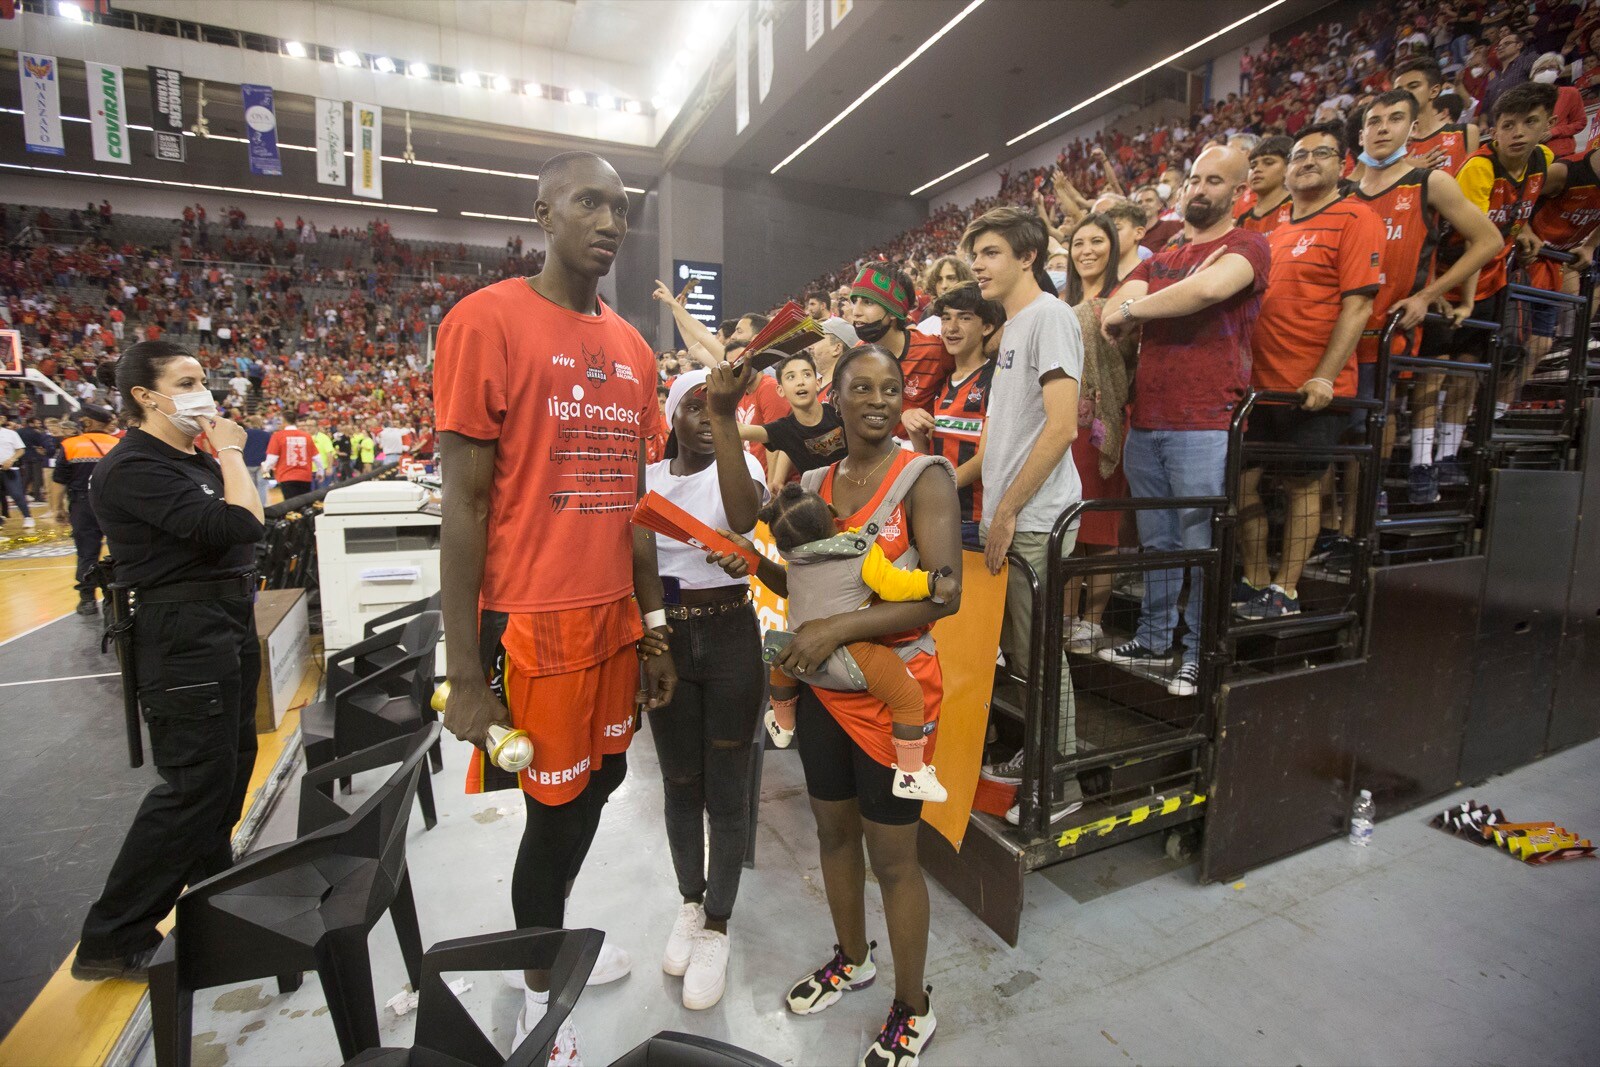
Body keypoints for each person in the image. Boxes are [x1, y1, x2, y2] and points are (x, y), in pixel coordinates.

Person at [434, 151, 674, 1061]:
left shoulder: (637, 349)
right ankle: (540, 984)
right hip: (534, 620)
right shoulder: (486, 321)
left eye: (620, 207)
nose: (609, 220)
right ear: (543, 212)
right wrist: (464, 672)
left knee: (603, 783)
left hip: (615, 613)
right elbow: (463, 503)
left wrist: (653, 629)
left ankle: (548, 940)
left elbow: (637, 507)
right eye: (588, 202)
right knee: (553, 807)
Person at [705, 345, 961, 1067]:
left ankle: (914, 1006)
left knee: (894, 858)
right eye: (862, 388)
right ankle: (852, 957)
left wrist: (838, 630)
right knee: (833, 834)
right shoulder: (815, 480)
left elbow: (946, 593)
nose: (878, 400)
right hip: (822, 691)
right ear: (833, 397)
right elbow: (800, 583)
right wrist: (752, 561)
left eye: (891, 387)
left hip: (889, 696)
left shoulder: (923, 477)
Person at [73, 341, 266, 980]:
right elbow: (241, 526)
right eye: (187, 381)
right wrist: (233, 451)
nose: (203, 391)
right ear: (145, 396)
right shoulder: (133, 468)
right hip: (181, 633)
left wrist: (225, 462)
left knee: (232, 765)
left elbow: (240, 521)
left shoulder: (189, 461)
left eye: (203, 378)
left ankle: (215, 889)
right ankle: (114, 934)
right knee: (192, 783)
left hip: (225, 621)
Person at [1098, 145, 1270, 696]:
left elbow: (1209, 290)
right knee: (1159, 543)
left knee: (1202, 545)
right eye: (1194, 179)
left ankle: (1198, 654)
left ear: (1239, 191)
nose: (1198, 188)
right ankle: (1153, 640)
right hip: (1146, 419)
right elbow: (1110, 310)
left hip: (1206, 420)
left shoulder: (1248, 244)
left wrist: (1137, 309)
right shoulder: (1165, 250)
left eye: (1213, 180)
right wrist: (1138, 307)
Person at [643, 365, 765, 1012]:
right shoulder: (650, 480)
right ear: (669, 417)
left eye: (710, 405)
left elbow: (746, 515)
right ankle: (690, 902)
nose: (699, 414)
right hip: (668, 636)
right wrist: (650, 638)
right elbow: (641, 569)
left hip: (730, 638)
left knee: (727, 785)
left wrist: (725, 418)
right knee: (678, 783)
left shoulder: (741, 470)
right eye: (689, 405)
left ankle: (718, 921)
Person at [963, 206, 1086, 826]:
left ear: (1027, 257)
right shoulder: (1012, 327)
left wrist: (1007, 509)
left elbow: (1062, 426)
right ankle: (1041, 757)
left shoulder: (1051, 318)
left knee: (1039, 655)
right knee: (1021, 653)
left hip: (1035, 517)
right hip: (1010, 515)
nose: (977, 265)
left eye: (990, 253)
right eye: (975, 254)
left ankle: (1061, 785)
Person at [1237, 123, 1382, 620]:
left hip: (1314, 389)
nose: (1307, 161)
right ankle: (1255, 581)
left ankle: (1286, 590)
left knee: (1303, 486)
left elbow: (1358, 306)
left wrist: (1323, 375)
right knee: (1241, 485)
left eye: (1322, 153)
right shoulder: (1274, 232)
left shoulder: (1356, 218)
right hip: (1261, 389)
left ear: (1343, 165)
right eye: (1299, 155)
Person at [1348, 89, 1504, 514]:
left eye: (1394, 119)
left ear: (1412, 129)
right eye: (1374, 121)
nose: (1383, 128)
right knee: (1341, 431)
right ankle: (1337, 521)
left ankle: (1370, 504)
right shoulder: (1343, 191)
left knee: (1377, 418)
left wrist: (1427, 295)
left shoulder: (1430, 182)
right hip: (1339, 331)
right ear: (1361, 133)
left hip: (1388, 330)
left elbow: (1489, 239)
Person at [759, 477, 958, 806]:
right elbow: (894, 586)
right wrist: (930, 583)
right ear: (832, 515)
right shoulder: (858, 554)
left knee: (779, 663)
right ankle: (911, 772)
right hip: (851, 655)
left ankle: (782, 720)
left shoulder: (792, 560)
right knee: (908, 697)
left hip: (800, 657)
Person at [1427, 83, 1558, 483]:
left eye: (1528, 123)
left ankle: (1446, 457)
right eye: (1507, 125)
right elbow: (1474, 238)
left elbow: (1516, 211)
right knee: (1431, 377)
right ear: (1493, 130)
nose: (1517, 132)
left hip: (1491, 281)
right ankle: (1422, 459)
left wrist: (1527, 228)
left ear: (1548, 127)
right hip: (1449, 278)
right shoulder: (1479, 168)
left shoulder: (1544, 160)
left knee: (1468, 373)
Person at [1062, 214, 1137, 654]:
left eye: (1096, 241)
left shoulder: (1125, 298)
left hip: (1102, 426)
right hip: (1064, 428)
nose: (1086, 250)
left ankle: (1093, 620)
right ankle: (1069, 615)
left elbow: (1128, 361)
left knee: (1100, 532)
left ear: (1113, 247)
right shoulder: (1059, 301)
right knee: (1070, 531)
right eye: (1078, 243)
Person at [846, 263, 955, 448]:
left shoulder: (934, 350)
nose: (856, 311)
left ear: (893, 311)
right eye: (854, 300)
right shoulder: (857, 357)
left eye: (868, 302)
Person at [929, 282, 1002, 547]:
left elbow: (987, 458)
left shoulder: (995, 379)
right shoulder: (941, 382)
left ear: (987, 326)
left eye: (964, 318)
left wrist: (933, 490)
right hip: (936, 514)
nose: (951, 327)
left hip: (975, 520)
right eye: (946, 318)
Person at [734, 352, 846, 489]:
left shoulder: (840, 413)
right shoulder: (784, 429)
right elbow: (739, 430)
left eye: (807, 374)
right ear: (780, 390)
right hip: (819, 500)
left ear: (818, 383)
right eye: (791, 377)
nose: (800, 382)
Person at [49, 404, 120, 616]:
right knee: (119, 549)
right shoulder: (118, 444)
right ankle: (118, 594)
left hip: (83, 504)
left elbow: (59, 481)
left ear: (87, 422)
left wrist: (57, 508)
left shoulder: (70, 445)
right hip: (114, 504)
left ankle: (87, 598)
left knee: (87, 552)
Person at [1393, 58, 1479, 173]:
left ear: (1434, 91)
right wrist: (1403, 168)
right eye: (1399, 90)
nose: (1404, 93)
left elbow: (1472, 184)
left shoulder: (1466, 132)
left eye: (1413, 86)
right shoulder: (1394, 143)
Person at [1238, 136, 1295, 234]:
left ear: (1288, 168)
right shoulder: (1243, 220)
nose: (1257, 169)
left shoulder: (1298, 208)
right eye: (1253, 166)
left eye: (1268, 163)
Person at [914, 255, 977, 335]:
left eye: (951, 278)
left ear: (964, 280)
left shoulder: (978, 315)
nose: (944, 286)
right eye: (939, 280)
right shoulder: (928, 315)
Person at [263, 418, 321, 501]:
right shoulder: (306, 436)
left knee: (290, 505)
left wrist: (265, 469)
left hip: (286, 475)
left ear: (284, 422)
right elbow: (317, 457)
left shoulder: (278, 436)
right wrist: (320, 471)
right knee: (304, 503)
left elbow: (272, 457)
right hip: (305, 476)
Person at [0, 415, 33, 529]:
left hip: (10, 468)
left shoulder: (11, 433)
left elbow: (21, 449)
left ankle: (27, 517)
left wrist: (11, 460)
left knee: (17, 494)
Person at [242, 415, 272, 506]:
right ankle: (262, 507)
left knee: (251, 487)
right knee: (262, 486)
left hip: (247, 463)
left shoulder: (244, 433)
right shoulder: (267, 434)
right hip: (263, 464)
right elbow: (270, 449)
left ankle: (253, 506)